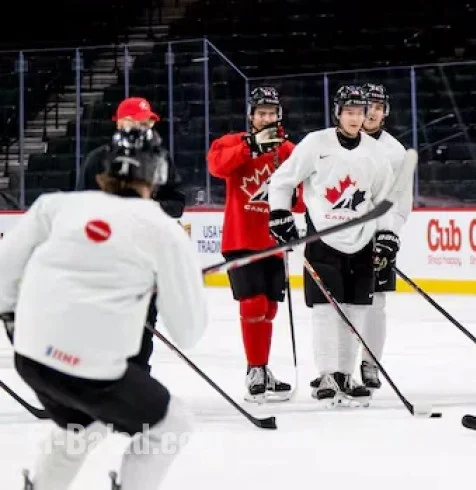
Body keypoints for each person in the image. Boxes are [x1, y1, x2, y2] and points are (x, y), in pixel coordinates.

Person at [0, 127, 207, 489]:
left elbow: (4, 271)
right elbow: (188, 332)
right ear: (157, 175)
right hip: (92, 372)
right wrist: (168, 283)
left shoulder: (56, 206)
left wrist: (16, 324)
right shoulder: (163, 230)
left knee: (82, 425)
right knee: (172, 424)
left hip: (31, 357)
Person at [268, 85, 400, 407]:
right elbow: (282, 180)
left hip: (362, 240)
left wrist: (387, 234)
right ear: (338, 113)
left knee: (357, 309)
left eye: (360, 112)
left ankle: (344, 374)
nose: (356, 118)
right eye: (349, 112)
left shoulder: (376, 152)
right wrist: (279, 214)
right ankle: (326, 374)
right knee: (326, 309)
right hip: (323, 239)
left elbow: (385, 198)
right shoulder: (316, 143)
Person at [75, 96, 185, 376]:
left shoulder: (161, 159)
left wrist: (150, 206)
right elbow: (80, 208)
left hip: (146, 260)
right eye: (135, 122)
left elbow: (177, 203)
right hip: (106, 260)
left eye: (146, 123)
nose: (141, 128)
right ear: (119, 123)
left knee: (143, 329)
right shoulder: (98, 160)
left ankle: (137, 381)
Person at [207, 86, 300, 402]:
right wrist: (249, 148)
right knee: (253, 304)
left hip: (273, 240)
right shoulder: (232, 142)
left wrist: (293, 203)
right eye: (261, 113)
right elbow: (217, 167)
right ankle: (255, 370)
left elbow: (302, 197)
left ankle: (262, 368)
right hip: (240, 239)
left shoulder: (288, 151)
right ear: (251, 116)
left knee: (269, 308)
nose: (267, 118)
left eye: (272, 113)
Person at [356, 82, 411, 390]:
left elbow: (402, 204)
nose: (372, 112)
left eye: (378, 107)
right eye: (368, 106)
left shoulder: (396, 152)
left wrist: (388, 236)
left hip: (378, 238)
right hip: (343, 238)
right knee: (341, 306)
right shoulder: (334, 144)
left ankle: (370, 363)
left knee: (375, 304)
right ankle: (337, 368)